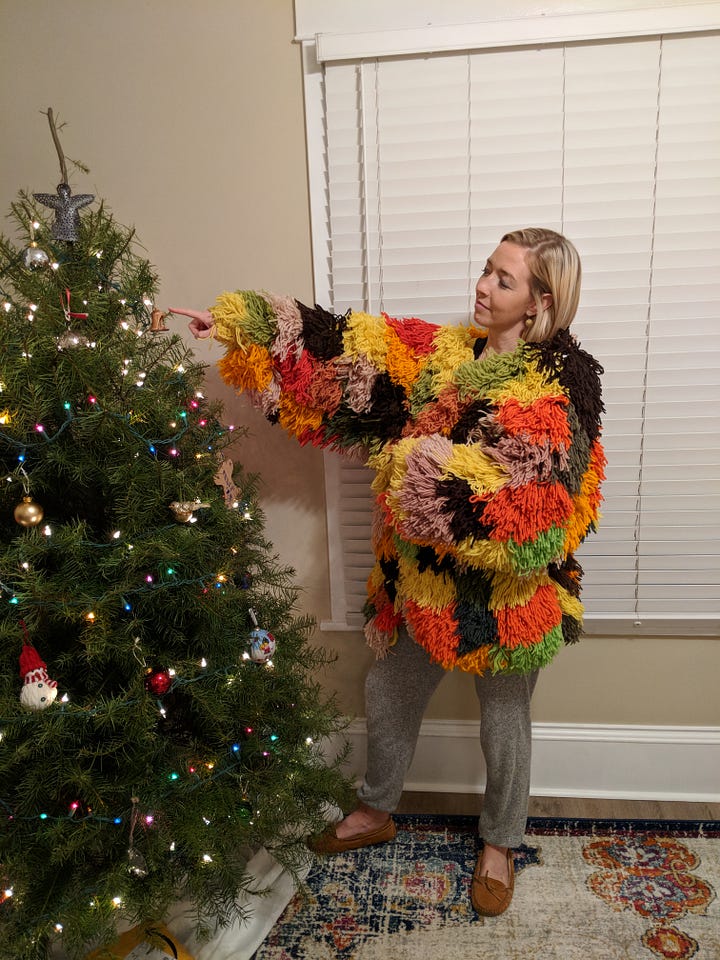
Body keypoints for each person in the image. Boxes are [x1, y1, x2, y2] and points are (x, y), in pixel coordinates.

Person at [171, 227, 605, 917]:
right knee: (389, 692)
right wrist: (241, 327)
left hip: (504, 600)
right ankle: (377, 809)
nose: (482, 287)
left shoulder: (558, 390)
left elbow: (534, 510)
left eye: (503, 280)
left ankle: (499, 841)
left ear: (540, 303)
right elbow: (349, 347)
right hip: (425, 587)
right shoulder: (444, 353)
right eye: (486, 271)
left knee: (504, 721)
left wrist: (416, 469)